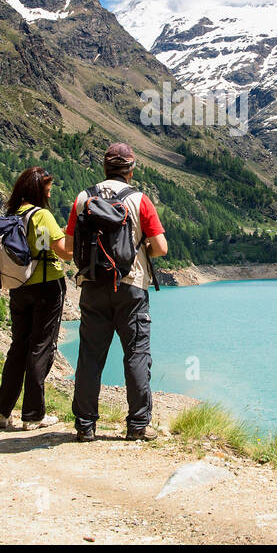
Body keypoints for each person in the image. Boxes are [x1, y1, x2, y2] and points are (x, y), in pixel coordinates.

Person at [65, 142, 167, 442]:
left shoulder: (84, 197)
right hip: (131, 286)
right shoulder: (139, 199)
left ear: (104, 167)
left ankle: (85, 425)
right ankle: (137, 425)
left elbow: (70, 247)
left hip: (93, 286)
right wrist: (140, 247)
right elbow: (160, 247)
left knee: (90, 356)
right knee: (136, 354)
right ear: (131, 169)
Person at [0, 168, 72, 430]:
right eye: (47, 188)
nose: (50, 193)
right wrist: (68, 235)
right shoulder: (41, 215)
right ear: (37, 189)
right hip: (47, 287)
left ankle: (3, 412)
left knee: (18, 347)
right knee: (41, 347)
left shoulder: (12, 215)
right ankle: (33, 415)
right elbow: (65, 253)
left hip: (19, 287)